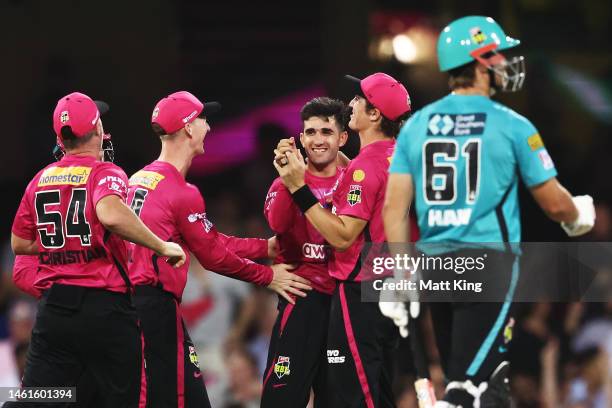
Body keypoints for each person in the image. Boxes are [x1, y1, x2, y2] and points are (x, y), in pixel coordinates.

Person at [382, 16, 596, 407]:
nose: (503, 62)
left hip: (436, 268)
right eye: (497, 53)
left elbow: (394, 209)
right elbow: (553, 203)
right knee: (468, 389)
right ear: (480, 61)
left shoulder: (416, 127)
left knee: (488, 382)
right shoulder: (511, 125)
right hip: (488, 265)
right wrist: (579, 214)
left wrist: (402, 269)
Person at [127, 90, 311, 408]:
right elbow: (212, 256)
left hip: (132, 307)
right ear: (187, 128)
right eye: (203, 119)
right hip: (155, 307)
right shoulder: (182, 190)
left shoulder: (139, 179)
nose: (209, 127)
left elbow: (209, 241)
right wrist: (268, 277)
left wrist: (264, 247)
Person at [9, 92, 186, 407]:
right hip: (106, 311)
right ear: (97, 129)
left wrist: (63, 244)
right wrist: (161, 245)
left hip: (55, 312)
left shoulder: (40, 178)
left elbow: (19, 243)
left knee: (36, 400)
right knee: (123, 400)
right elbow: (109, 214)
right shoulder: (105, 172)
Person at [274, 73, 411, 407]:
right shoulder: (401, 155)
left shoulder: (364, 168)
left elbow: (342, 235)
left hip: (360, 286)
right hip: (393, 284)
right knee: (379, 387)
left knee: (355, 391)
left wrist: (297, 187)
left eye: (358, 99)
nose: (351, 104)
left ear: (374, 114)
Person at [261, 97, 348, 407]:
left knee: (336, 398)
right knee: (282, 397)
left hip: (344, 303)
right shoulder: (282, 182)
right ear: (300, 139)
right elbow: (278, 223)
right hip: (303, 298)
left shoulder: (354, 180)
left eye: (326, 132)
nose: (318, 140)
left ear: (343, 138)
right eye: (310, 132)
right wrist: (290, 179)